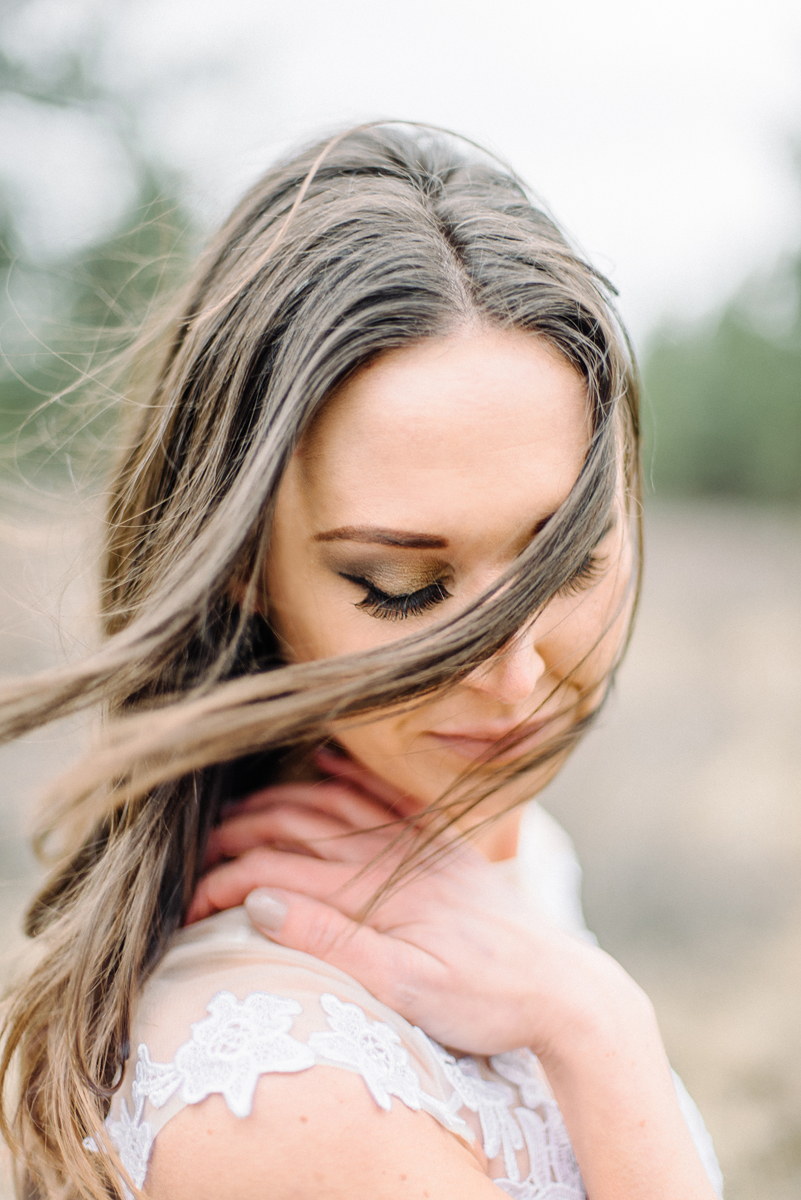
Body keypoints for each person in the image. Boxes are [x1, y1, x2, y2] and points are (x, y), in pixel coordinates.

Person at [0, 123, 723, 1200]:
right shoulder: (293, 1096)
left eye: (568, 560)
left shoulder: (482, 858)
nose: (514, 678)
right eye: (401, 585)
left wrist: (581, 1013)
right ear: (243, 568)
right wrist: (601, 1030)